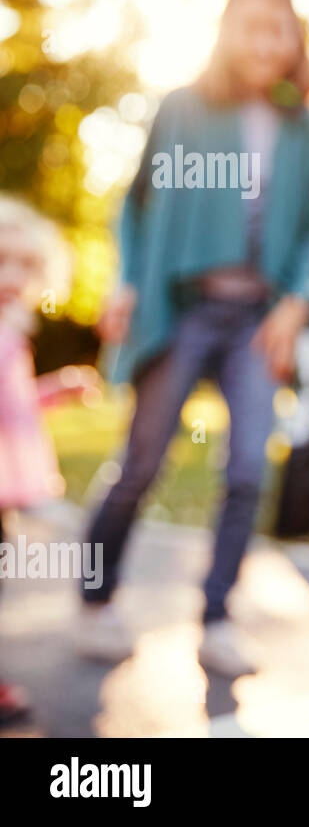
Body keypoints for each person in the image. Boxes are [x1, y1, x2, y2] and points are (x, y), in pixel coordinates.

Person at [84, 0, 309, 677]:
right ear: (225, 34)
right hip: (183, 308)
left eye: (278, 28)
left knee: (249, 467)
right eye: (249, 26)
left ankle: (217, 616)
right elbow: (134, 204)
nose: (264, 40)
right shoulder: (184, 108)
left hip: (256, 319)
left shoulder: (306, 127)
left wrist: (295, 300)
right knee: (141, 462)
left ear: (294, 42)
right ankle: (97, 600)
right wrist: (127, 279)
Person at [0, 196, 66, 725]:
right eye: (3, 260)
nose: (15, 275)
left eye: (27, 263)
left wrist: (56, 390)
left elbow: (14, 409)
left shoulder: (12, 333)